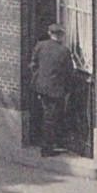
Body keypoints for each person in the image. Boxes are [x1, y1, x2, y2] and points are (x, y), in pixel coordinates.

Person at [30, 23, 74, 157]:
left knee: (46, 116)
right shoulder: (64, 51)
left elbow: (33, 64)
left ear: (50, 33)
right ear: (61, 36)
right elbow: (69, 71)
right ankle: (47, 147)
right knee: (51, 118)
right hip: (56, 90)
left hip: (40, 87)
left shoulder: (40, 45)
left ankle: (44, 143)